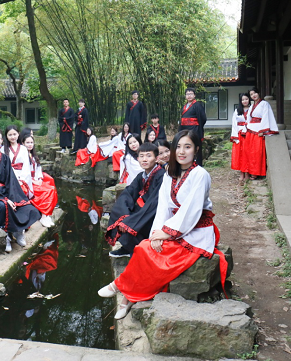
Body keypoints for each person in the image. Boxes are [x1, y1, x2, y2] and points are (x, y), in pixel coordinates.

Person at [97, 130, 228, 319]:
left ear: (196, 150)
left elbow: (191, 211)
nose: (182, 151)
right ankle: (128, 296)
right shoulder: (170, 175)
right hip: (174, 226)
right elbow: (163, 207)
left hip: (196, 230)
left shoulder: (200, 174)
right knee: (144, 247)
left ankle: (121, 289)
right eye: (178, 147)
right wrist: (156, 233)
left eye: (187, 147)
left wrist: (167, 233)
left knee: (150, 253)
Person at [0, 127, 41, 252]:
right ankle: (6, 236)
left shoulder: (5, 158)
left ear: (1, 140)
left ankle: (18, 231)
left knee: (28, 207)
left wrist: (12, 197)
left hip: (6, 190)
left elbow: (11, 180)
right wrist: (5, 199)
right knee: (2, 205)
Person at [105, 142, 165, 258]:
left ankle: (134, 249)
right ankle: (128, 247)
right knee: (120, 214)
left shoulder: (162, 176)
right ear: (138, 159)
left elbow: (154, 203)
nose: (144, 159)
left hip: (156, 213)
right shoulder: (141, 176)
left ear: (157, 158)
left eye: (148, 156)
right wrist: (124, 216)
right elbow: (128, 194)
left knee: (131, 224)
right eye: (141, 156)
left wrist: (129, 222)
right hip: (146, 210)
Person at [22, 134, 58, 227]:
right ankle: (43, 215)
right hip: (27, 180)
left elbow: (38, 169)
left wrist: (39, 178)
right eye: (27, 143)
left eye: (31, 142)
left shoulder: (32, 155)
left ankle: (47, 213)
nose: (30, 144)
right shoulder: (22, 156)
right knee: (46, 190)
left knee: (50, 187)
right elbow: (23, 172)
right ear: (23, 143)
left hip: (34, 178)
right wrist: (32, 181)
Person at [244, 87, 279, 179]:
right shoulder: (251, 106)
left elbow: (266, 116)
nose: (253, 95)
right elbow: (249, 118)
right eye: (251, 94)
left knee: (257, 152)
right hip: (250, 130)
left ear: (259, 93)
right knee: (250, 152)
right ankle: (250, 171)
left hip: (258, 130)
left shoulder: (264, 104)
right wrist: (246, 128)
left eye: (255, 93)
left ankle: (256, 172)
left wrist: (262, 130)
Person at [3, 125, 33, 197]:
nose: (12, 137)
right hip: (9, 175)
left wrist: (22, 180)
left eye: (14, 134)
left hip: (22, 176)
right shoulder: (3, 149)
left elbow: (26, 166)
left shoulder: (23, 148)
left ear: (18, 134)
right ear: (6, 136)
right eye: (10, 135)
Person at [179, 87, 206, 165]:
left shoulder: (197, 105)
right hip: (184, 129)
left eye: (191, 94)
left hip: (194, 130)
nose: (189, 96)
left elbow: (203, 118)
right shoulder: (184, 106)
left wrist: (197, 127)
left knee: (195, 147)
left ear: (194, 95)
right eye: (187, 94)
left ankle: (197, 164)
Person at [231, 93, 251, 184]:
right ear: (240, 101)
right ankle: (242, 173)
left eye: (246, 99)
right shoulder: (237, 111)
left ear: (249, 99)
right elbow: (234, 123)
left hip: (249, 134)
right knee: (241, 154)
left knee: (248, 153)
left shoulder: (252, 109)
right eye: (243, 100)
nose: (245, 101)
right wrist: (235, 136)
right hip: (239, 134)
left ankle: (248, 173)